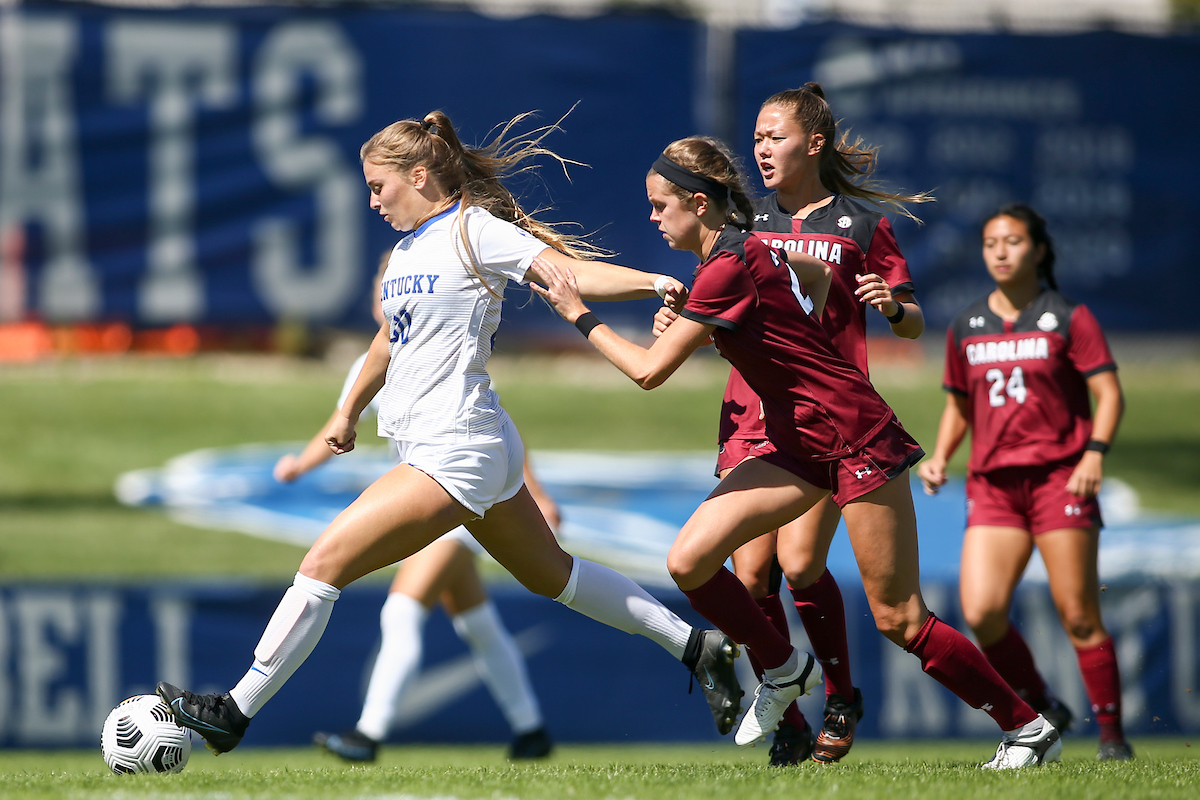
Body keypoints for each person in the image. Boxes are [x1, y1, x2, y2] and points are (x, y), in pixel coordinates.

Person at [155, 110, 745, 755]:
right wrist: (345, 412)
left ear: (418, 173)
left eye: (379, 187)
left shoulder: (474, 229)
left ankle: (234, 711)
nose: (372, 201)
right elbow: (388, 341)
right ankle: (696, 646)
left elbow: (565, 273)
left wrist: (656, 282)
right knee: (554, 576)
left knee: (322, 564)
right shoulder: (408, 250)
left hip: (455, 447)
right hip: (465, 444)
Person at [530, 136, 1060, 770]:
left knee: (899, 616)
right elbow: (807, 278)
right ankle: (784, 670)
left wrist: (578, 314)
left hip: (852, 434)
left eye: (658, 204)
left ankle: (1025, 726)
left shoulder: (731, 263)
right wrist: (742, 318)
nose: (651, 217)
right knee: (691, 559)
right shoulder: (749, 250)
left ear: (698, 204)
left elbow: (648, 374)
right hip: (798, 442)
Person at [654, 82, 932, 765]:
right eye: (755, 139)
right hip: (751, 413)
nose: (762, 149)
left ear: (814, 144)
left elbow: (914, 318)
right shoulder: (747, 230)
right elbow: (718, 307)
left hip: (826, 415)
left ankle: (841, 693)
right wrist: (674, 316)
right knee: (750, 579)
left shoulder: (861, 225)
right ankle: (793, 720)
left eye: (773, 136)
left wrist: (893, 310)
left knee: (802, 562)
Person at [273, 254, 558, 761]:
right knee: (476, 619)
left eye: (394, 280)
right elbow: (341, 421)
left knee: (401, 609)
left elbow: (494, 425)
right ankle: (531, 730)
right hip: (434, 491)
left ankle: (369, 733)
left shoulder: (438, 348)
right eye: (382, 281)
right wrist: (301, 465)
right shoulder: (373, 360)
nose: (388, 291)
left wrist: (534, 490)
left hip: (455, 491)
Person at [916, 204, 1131, 761]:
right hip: (993, 487)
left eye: (1013, 241)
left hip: (1061, 480)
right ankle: (1044, 706)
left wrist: (1094, 455)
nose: (1001, 252)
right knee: (982, 612)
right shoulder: (967, 324)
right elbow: (959, 404)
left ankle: (1113, 739)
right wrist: (940, 456)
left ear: (1038, 249)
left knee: (1079, 613)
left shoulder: (1067, 316)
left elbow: (1109, 394)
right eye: (991, 243)